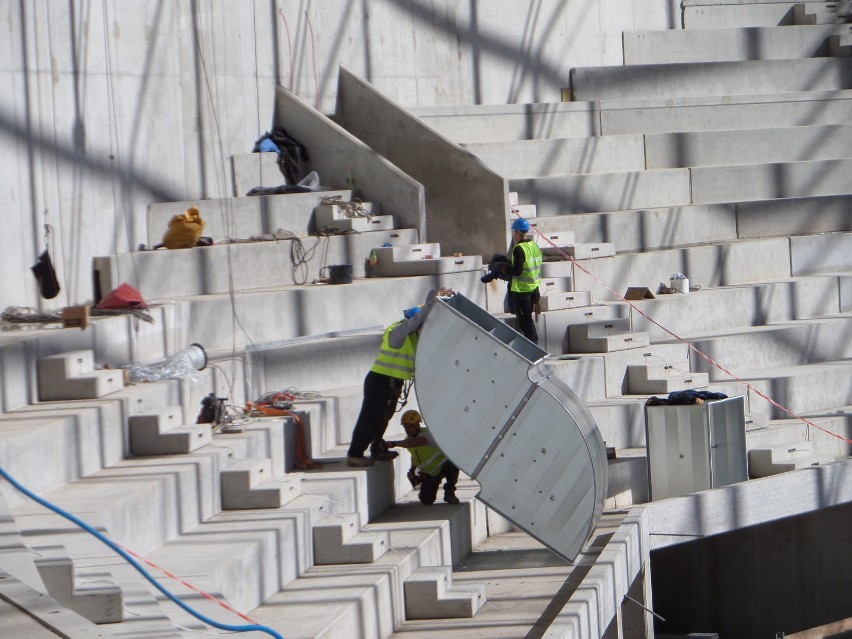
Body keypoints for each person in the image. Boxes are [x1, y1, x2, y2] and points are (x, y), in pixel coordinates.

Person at [346, 289, 453, 467]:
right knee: (370, 418)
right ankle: (355, 454)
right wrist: (430, 305)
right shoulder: (398, 331)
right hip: (381, 380)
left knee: (383, 418)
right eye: (420, 326)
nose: (421, 330)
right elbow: (415, 322)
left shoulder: (412, 337)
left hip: (391, 382)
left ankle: (377, 447)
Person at [386, 410, 460, 505]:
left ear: (417, 425)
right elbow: (414, 455)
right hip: (431, 473)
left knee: (453, 464)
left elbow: (417, 442)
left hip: (443, 467)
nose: (407, 430)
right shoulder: (408, 440)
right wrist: (412, 470)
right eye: (405, 427)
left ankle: (450, 492)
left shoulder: (427, 434)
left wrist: (394, 443)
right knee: (426, 499)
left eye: (410, 426)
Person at [506, 217, 543, 343]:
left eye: (514, 232)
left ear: (517, 232)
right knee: (528, 320)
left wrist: (505, 270)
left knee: (526, 321)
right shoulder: (533, 245)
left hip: (522, 291)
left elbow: (518, 271)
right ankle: (533, 344)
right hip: (534, 288)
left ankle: (534, 347)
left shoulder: (518, 249)